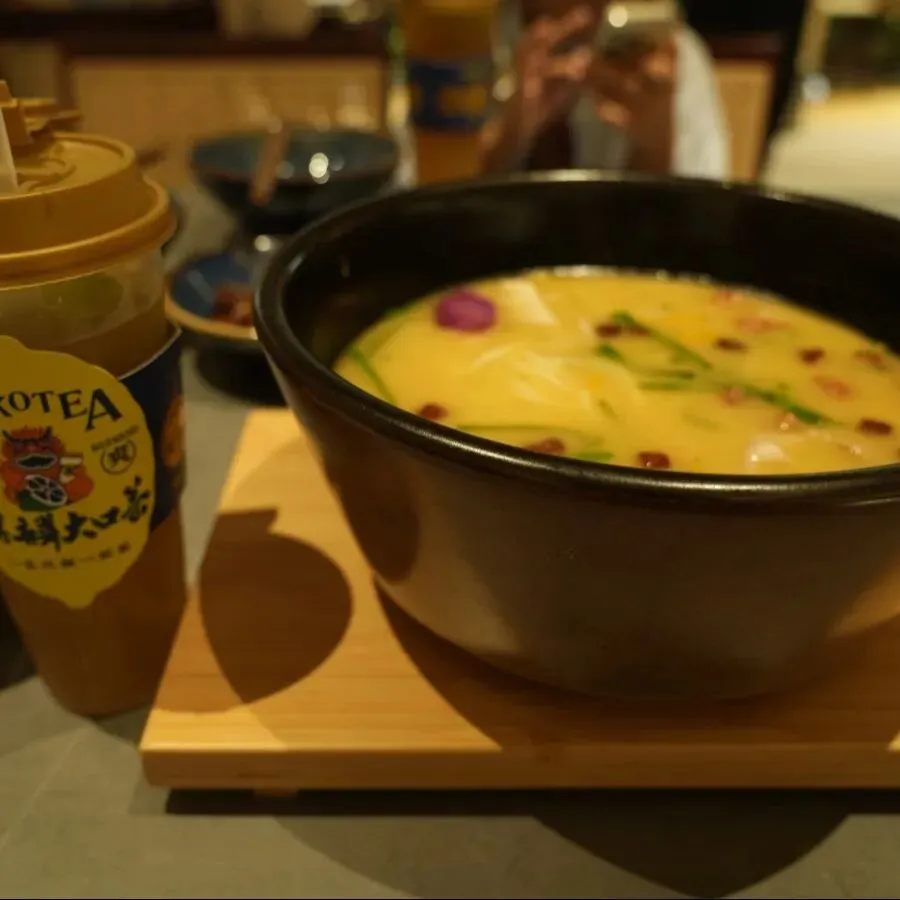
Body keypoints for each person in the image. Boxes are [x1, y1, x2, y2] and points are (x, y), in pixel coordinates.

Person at [480, 1, 730, 179]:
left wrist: (654, 149)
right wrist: (506, 142)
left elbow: (704, 219)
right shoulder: (467, 41)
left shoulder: (669, 58)